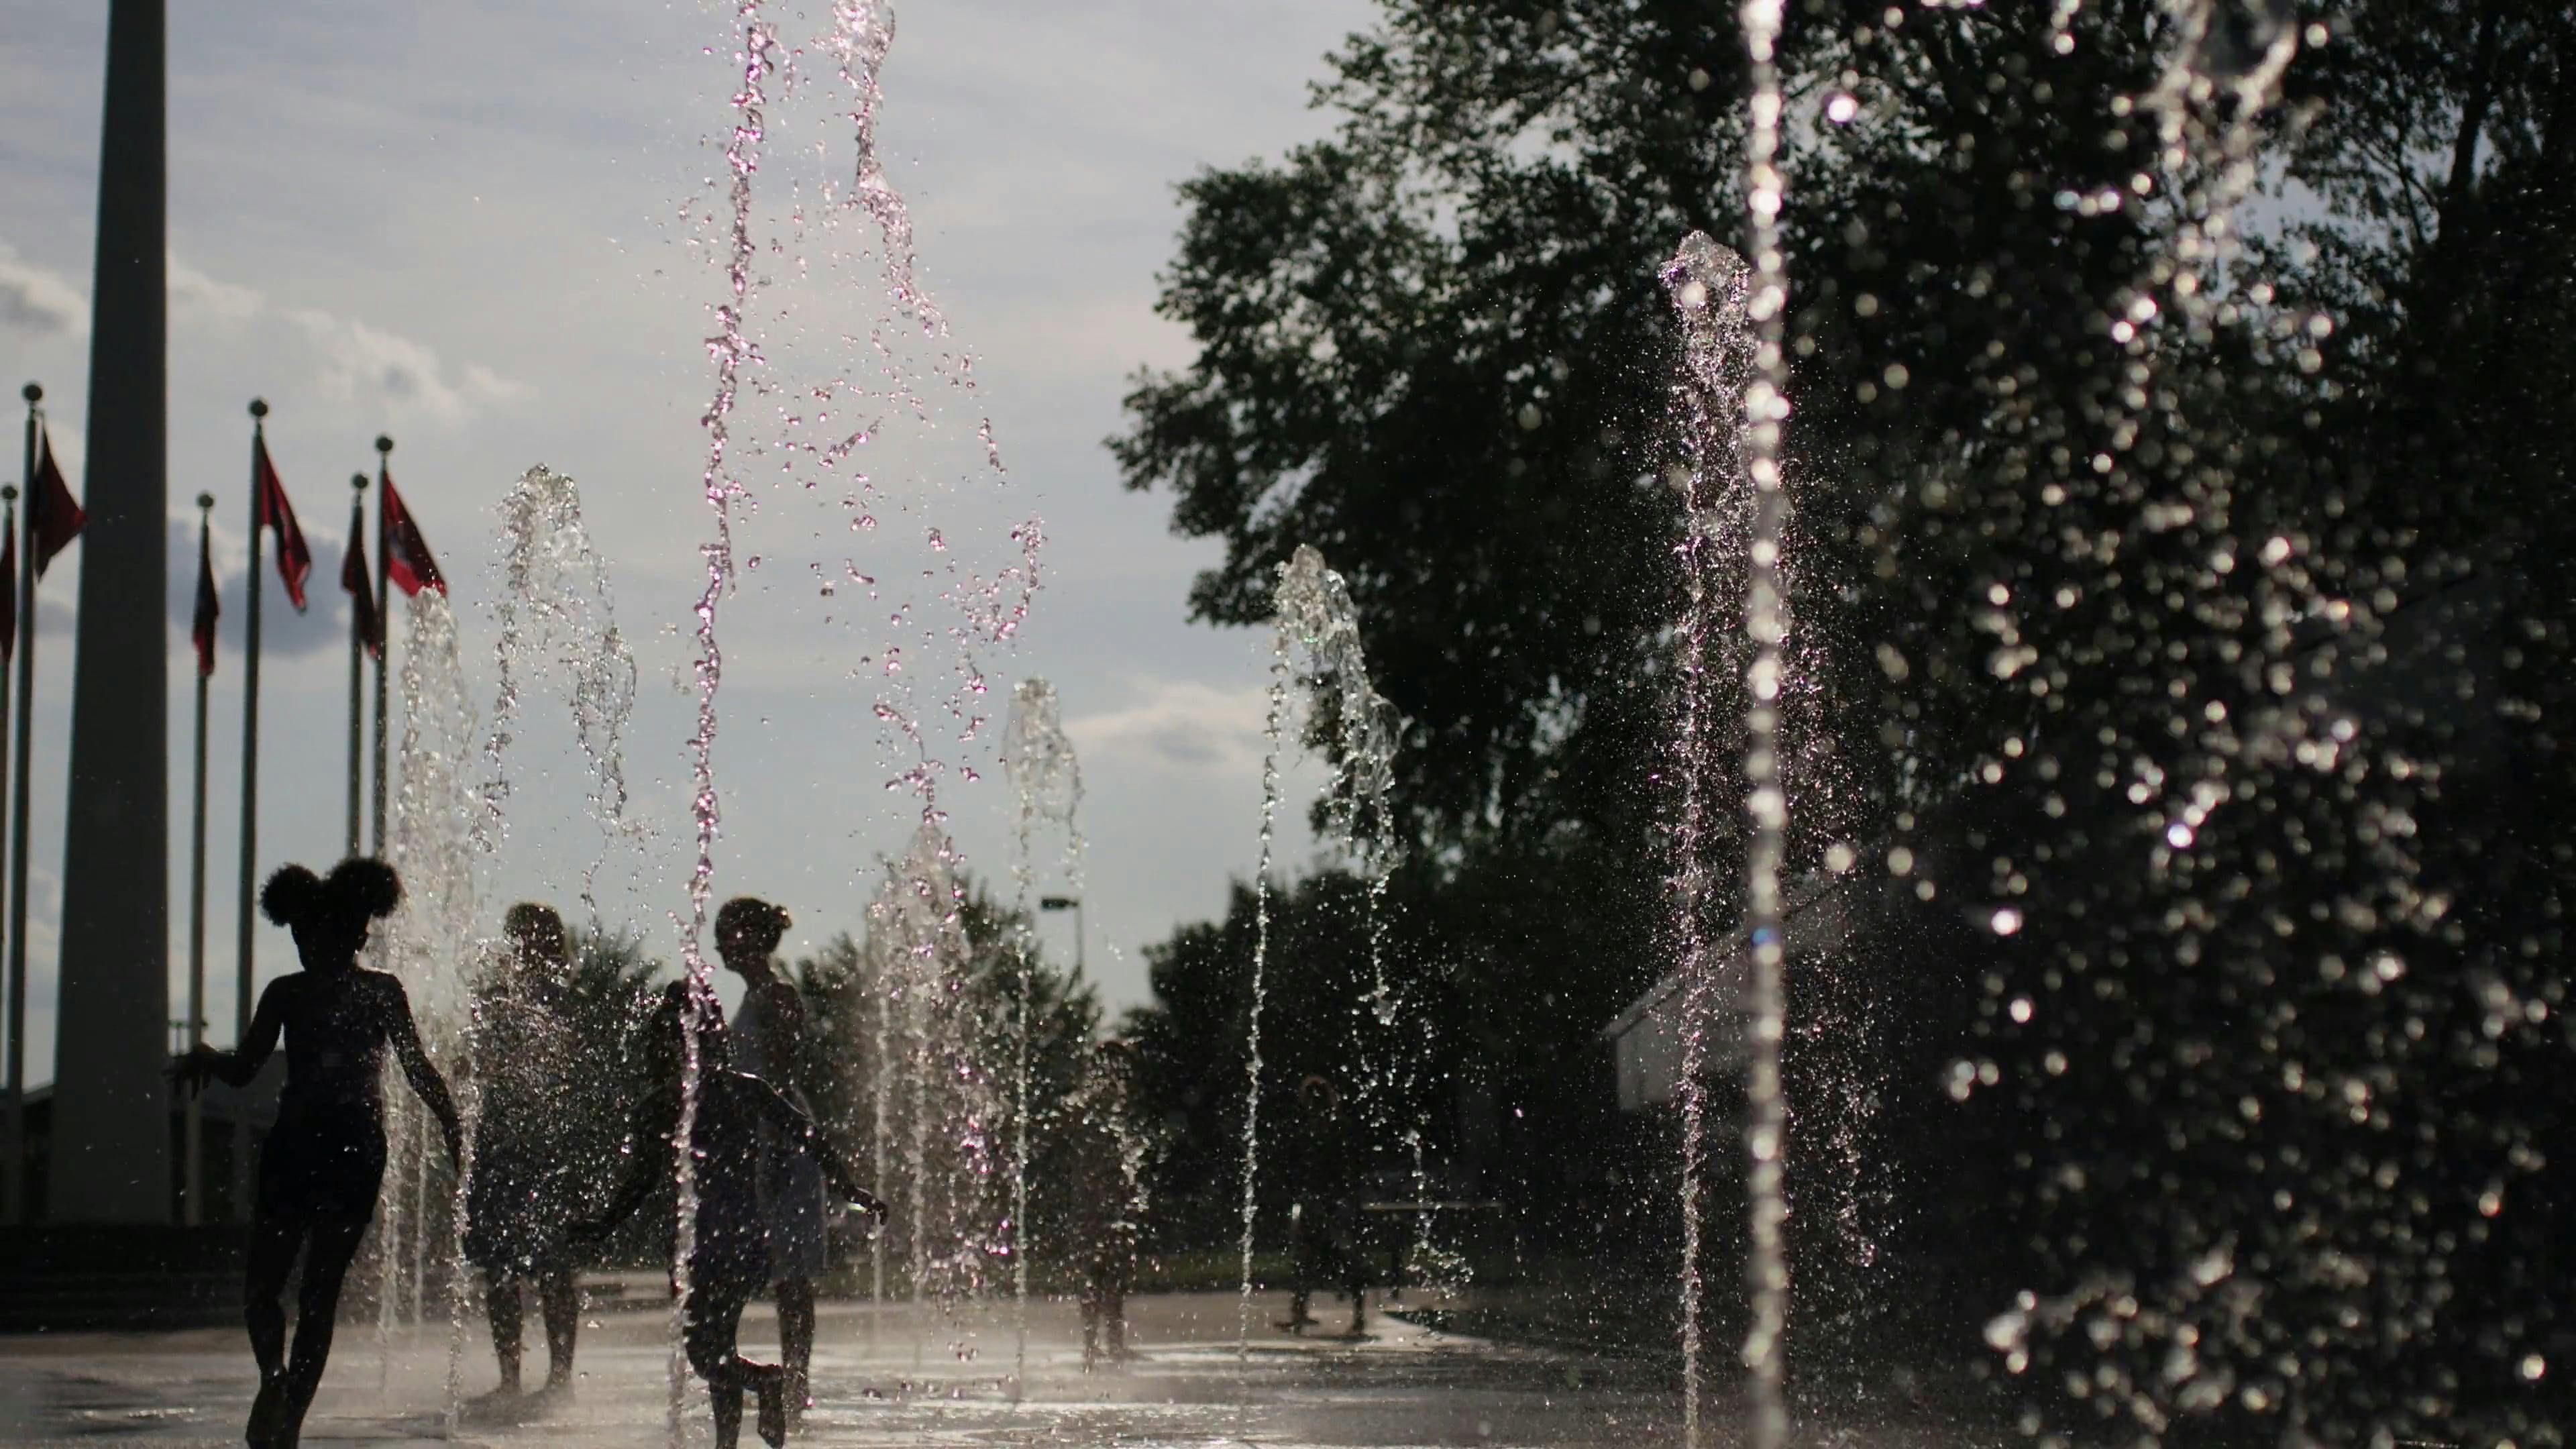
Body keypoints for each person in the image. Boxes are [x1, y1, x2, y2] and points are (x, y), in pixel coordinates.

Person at [170, 859, 462, 1449]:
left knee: (276, 1287)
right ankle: (284, 1401)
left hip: (311, 1147)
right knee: (311, 1291)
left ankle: (281, 1395)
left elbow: (246, 1069)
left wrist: (454, 1125)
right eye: (301, 938)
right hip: (346, 1148)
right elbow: (418, 1074)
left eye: (317, 936)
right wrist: (453, 1126)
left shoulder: (305, 993)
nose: (308, 947)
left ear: (354, 936)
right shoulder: (348, 992)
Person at [568, 983, 885, 1449]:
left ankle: (765, 1382)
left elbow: (640, 1182)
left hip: (697, 1246)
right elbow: (809, 1135)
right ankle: (726, 1442)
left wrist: (603, 1223)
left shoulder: (661, 1105)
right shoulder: (745, 1090)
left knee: (703, 1352)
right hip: (747, 1239)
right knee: (721, 1345)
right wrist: (846, 1185)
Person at [715, 896, 829, 1424]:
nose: (719, 942)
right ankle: (766, 1379)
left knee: (791, 1275)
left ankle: (795, 1381)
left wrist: (780, 1149)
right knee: (769, 1269)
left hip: (781, 1139)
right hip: (761, 1139)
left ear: (752, 938)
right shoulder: (756, 994)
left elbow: (783, 1075)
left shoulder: (776, 993)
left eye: (728, 932)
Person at [464, 903, 584, 1397]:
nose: (526, 947)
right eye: (519, 937)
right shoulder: (497, 1002)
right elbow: (480, 1063)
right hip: (500, 1145)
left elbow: (574, 1072)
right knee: (499, 1267)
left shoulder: (567, 1001)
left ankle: (559, 1375)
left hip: (549, 1148)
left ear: (554, 944)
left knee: (555, 1266)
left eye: (536, 937)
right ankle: (510, 1375)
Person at [1064, 1042, 1148, 1368]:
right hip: (1094, 1208)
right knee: (1097, 1276)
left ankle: (1107, 1342)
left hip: (1104, 1207)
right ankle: (1094, 1343)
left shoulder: (1098, 1109)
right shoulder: (1093, 1112)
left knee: (1109, 1276)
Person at [1283, 1075, 1369, 1337]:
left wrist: (1341, 1200)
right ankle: (1302, 1311)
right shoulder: (1320, 1130)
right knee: (1311, 1257)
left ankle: (1355, 1313)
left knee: (1335, 1256)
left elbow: (1344, 1169)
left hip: (1330, 1201)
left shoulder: (1331, 1130)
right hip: (1321, 1201)